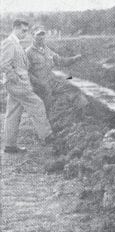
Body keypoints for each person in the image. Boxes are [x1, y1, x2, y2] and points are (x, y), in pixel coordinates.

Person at [0, 19, 53, 153]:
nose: (25, 34)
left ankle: (10, 145)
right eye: (23, 31)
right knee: (38, 104)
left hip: (17, 84)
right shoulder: (9, 43)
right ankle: (47, 136)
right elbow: (4, 64)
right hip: (18, 84)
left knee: (13, 112)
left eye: (26, 31)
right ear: (15, 28)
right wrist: (16, 79)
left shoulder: (16, 43)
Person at [26, 25, 82, 107]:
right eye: (38, 34)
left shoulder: (47, 50)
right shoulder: (28, 52)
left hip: (52, 82)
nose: (41, 37)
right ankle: (48, 116)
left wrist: (74, 59)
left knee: (73, 89)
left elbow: (61, 61)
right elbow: (25, 73)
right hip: (39, 86)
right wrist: (39, 83)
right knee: (48, 103)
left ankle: (78, 115)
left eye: (43, 34)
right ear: (32, 35)